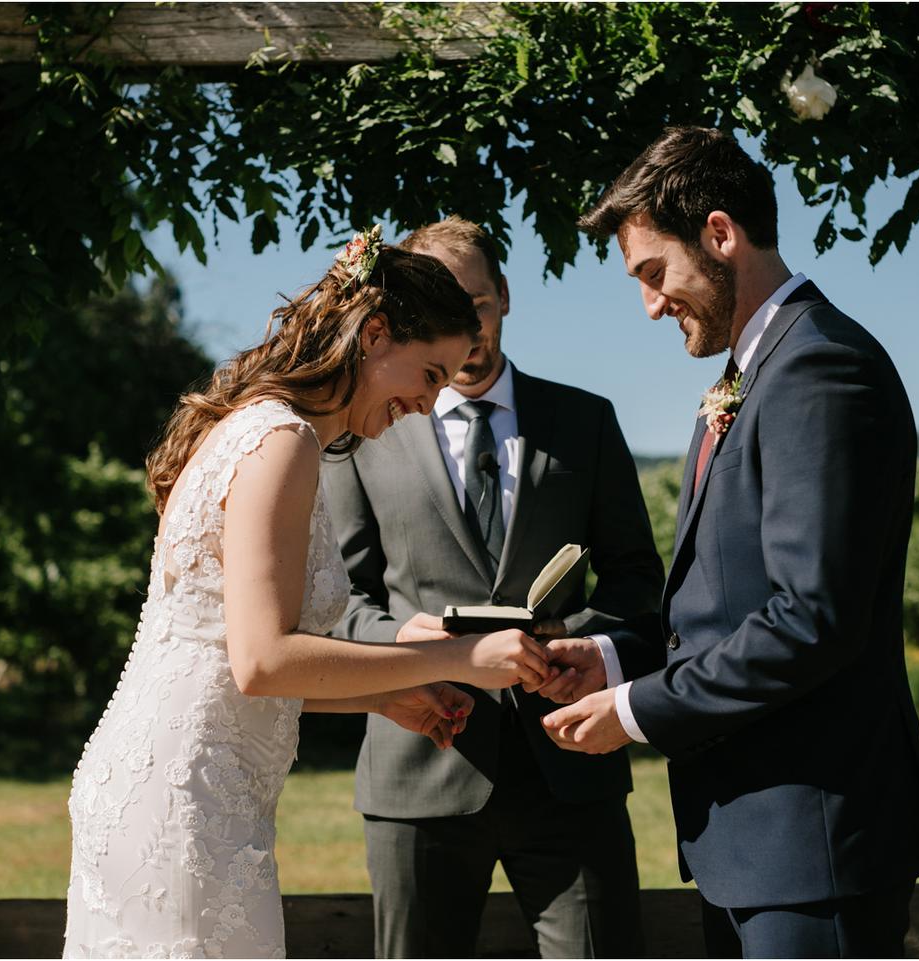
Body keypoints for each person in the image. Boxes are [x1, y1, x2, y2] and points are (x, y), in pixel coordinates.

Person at [63, 230, 554, 959]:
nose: (427, 404)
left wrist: (380, 696)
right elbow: (263, 661)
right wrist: (460, 656)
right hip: (184, 801)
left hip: (171, 781)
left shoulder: (258, 429)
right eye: (429, 374)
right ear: (375, 334)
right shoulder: (281, 440)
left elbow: (225, 667)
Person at [543, 126, 919, 958]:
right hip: (755, 848)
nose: (651, 305)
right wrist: (616, 661)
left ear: (721, 234)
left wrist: (634, 710)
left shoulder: (818, 369)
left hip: (816, 842)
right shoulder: (754, 374)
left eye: (654, 273)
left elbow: (811, 619)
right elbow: (730, 607)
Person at [323, 217, 666, 959]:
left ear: (505, 295)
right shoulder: (362, 434)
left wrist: (582, 642)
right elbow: (342, 599)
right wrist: (408, 645)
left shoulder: (585, 421)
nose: (468, 330)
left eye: (477, 305)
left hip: (571, 759)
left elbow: (638, 577)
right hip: (419, 762)